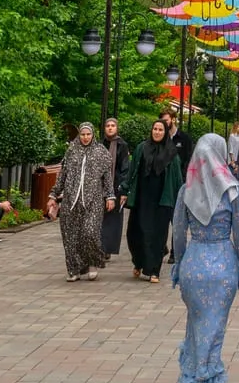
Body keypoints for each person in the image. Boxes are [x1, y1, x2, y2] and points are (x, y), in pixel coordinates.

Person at [171, 133, 239, 383]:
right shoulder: (232, 190)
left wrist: (179, 264)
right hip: (222, 265)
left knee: (195, 329)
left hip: (193, 264)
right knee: (213, 331)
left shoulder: (187, 190)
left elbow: (178, 232)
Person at [51, 122, 115, 282]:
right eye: (82, 134)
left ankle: (92, 263)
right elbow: (62, 175)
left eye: (88, 134)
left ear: (93, 135)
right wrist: (53, 195)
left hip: (93, 200)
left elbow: (107, 178)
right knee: (70, 236)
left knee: (90, 233)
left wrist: (110, 196)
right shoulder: (71, 150)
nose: (85, 137)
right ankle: (74, 269)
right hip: (71, 200)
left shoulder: (101, 152)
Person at [126, 118, 182, 283]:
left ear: (165, 132)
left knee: (158, 234)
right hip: (142, 198)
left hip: (162, 200)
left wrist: (180, 198)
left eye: (160, 130)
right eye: (155, 129)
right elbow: (132, 171)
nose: (157, 132)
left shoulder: (171, 152)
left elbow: (177, 178)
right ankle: (138, 262)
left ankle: (154, 270)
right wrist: (125, 189)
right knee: (136, 233)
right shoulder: (142, 148)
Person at [101, 117, 131, 261]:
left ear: (117, 128)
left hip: (116, 185)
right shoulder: (100, 144)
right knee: (100, 217)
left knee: (113, 219)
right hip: (100, 185)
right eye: (108, 125)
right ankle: (100, 246)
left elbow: (125, 167)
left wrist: (123, 188)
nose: (110, 128)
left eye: (113, 125)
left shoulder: (122, 145)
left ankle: (107, 248)